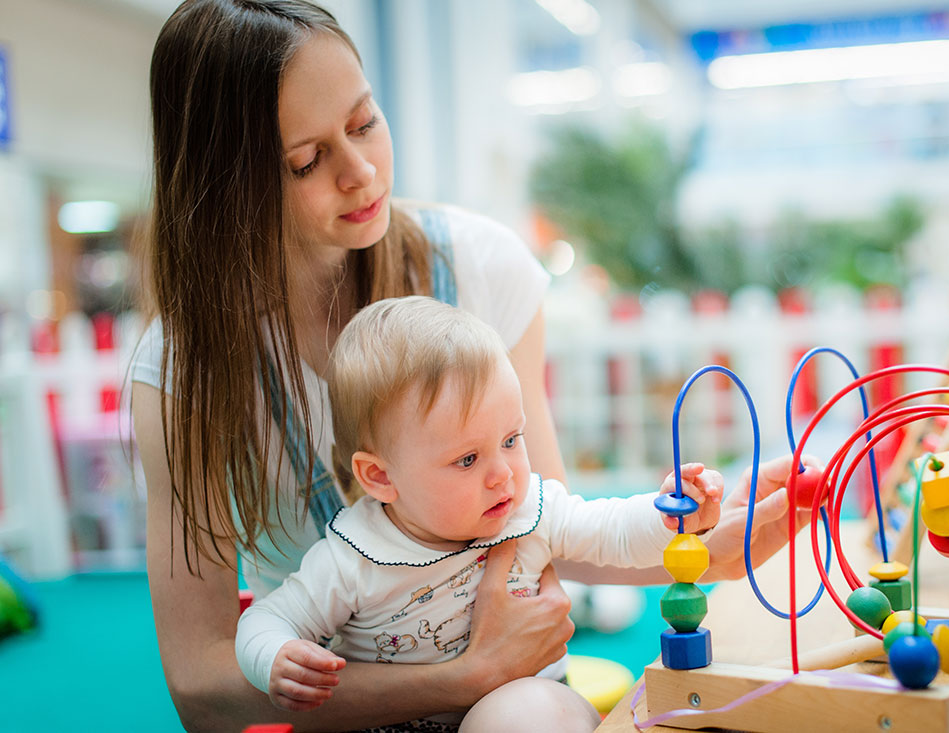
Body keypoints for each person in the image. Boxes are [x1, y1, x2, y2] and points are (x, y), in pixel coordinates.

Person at [132, 1, 816, 730]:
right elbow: (201, 684)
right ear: (227, 183)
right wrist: (465, 672)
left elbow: (556, 524)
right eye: (307, 160)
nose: (362, 173)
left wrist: (714, 538)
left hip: (513, 700)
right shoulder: (181, 370)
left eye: (365, 123)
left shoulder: (483, 267)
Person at [235, 296, 724, 731]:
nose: (503, 475)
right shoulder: (353, 556)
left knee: (539, 713)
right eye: (467, 459)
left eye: (511, 440)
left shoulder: (529, 509)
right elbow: (266, 620)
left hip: (518, 710)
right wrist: (275, 656)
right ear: (381, 478)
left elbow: (612, 532)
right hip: (389, 721)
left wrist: (670, 513)